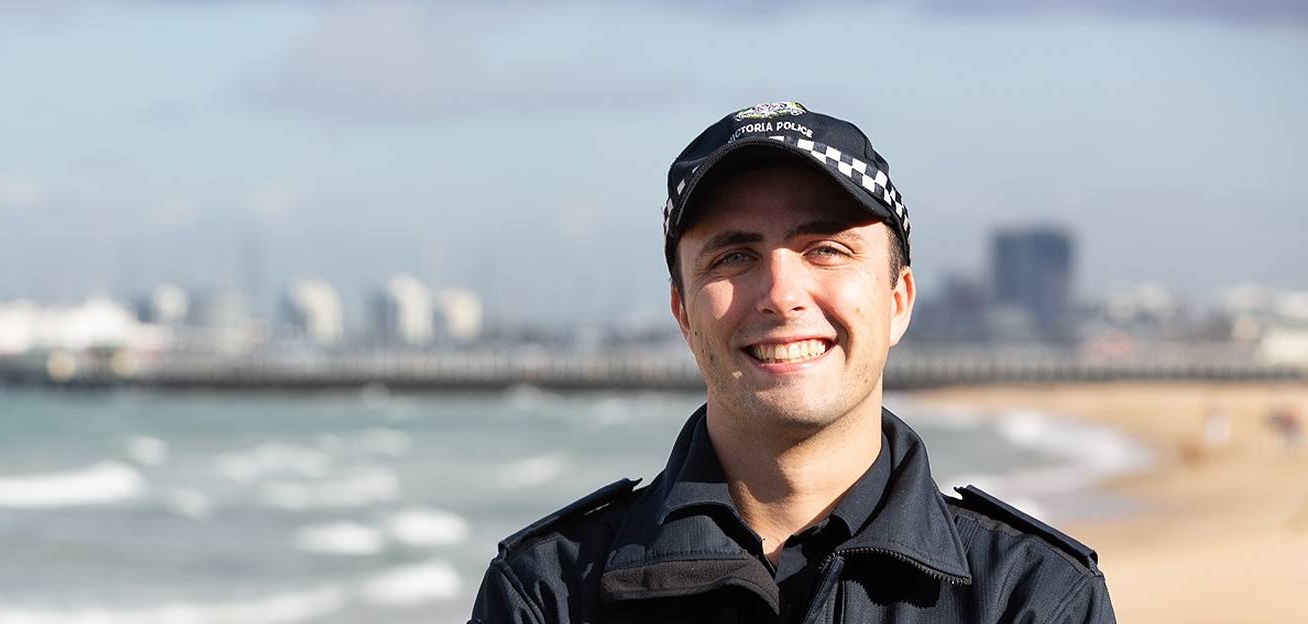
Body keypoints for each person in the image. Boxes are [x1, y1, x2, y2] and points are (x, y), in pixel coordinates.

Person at [469, 102, 1115, 623]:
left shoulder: (1031, 597)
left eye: (827, 250)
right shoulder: (547, 595)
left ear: (898, 301)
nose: (780, 295)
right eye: (732, 257)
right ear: (683, 313)